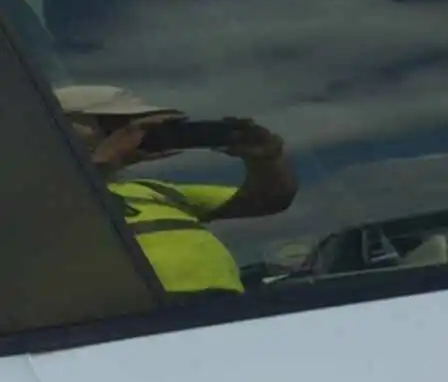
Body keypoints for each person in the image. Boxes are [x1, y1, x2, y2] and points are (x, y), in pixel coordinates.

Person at [57, 86, 298, 295]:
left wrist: (266, 160)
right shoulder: (44, 197)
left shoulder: (155, 191)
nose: (136, 135)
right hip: (137, 325)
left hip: (225, 309)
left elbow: (270, 199)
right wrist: (104, 161)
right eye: (117, 126)